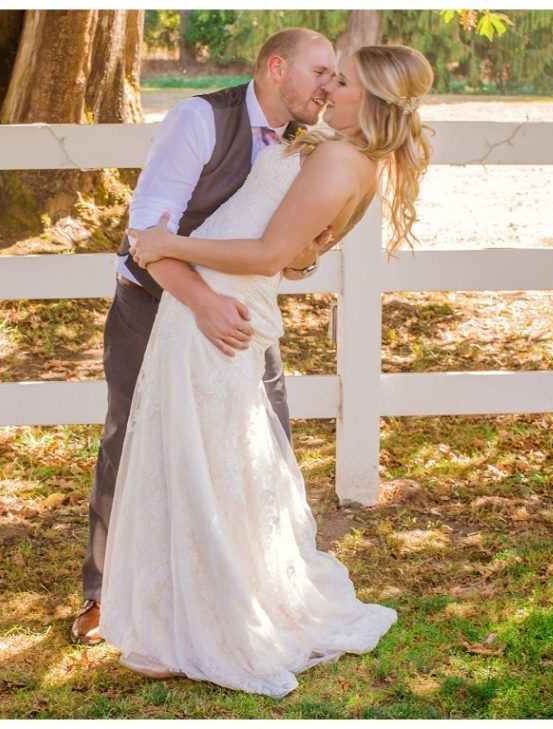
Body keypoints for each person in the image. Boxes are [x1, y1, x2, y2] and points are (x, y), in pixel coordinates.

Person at [102, 44, 435, 698]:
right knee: (212, 457)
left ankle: (210, 619)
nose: (330, 89)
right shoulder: (348, 156)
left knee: (205, 461)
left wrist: (169, 246)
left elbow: (269, 253)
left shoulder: (340, 159)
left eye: (342, 82)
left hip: (217, 313)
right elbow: (299, 248)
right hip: (209, 303)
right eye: (329, 75)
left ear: (367, 101)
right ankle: (183, 612)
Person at [72, 28, 339, 646]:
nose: (331, 86)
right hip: (154, 302)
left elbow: (285, 251)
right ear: (276, 68)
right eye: (321, 72)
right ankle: (103, 593)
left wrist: (298, 260)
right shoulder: (199, 121)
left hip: (240, 315)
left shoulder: (310, 144)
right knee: (133, 438)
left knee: (264, 437)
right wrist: (204, 302)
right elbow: (146, 235)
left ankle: (254, 586)